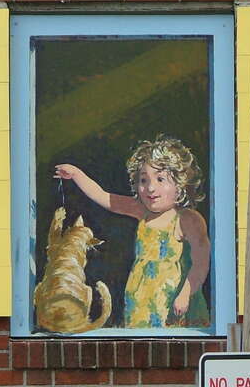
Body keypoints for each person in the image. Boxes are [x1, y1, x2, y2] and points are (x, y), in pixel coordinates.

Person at [54, 135, 210, 328]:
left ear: (180, 183)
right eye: (144, 180)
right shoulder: (141, 211)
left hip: (175, 304)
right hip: (141, 301)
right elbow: (105, 197)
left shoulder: (188, 219)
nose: (151, 188)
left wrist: (186, 293)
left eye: (160, 179)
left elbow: (201, 263)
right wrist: (76, 174)